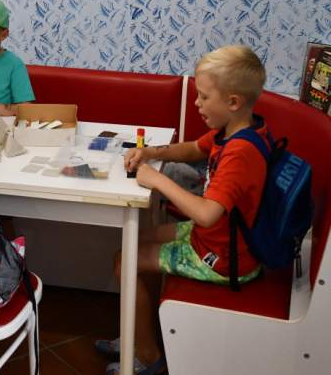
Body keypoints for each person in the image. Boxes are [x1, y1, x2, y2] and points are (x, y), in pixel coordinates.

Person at [98, 45, 268, 375]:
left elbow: (206, 213)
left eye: (204, 97)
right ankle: (140, 334)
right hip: (217, 239)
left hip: (222, 258)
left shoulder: (240, 153)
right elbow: (193, 148)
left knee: (125, 260)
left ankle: (148, 356)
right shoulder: (236, 130)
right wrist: (151, 153)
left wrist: (156, 179)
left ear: (233, 102)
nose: (197, 103)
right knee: (133, 242)